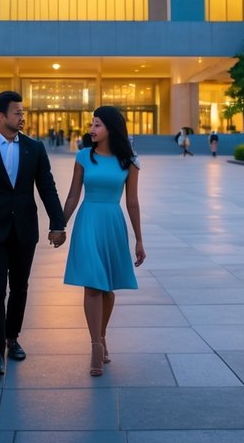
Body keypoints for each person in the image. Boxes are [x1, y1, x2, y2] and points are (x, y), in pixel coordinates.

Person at [0, 91, 66, 378]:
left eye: (23, 112)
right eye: (17, 112)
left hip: (24, 231)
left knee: (20, 287)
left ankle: (12, 338)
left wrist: (58, 224)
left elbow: (47, 187)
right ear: (1, 116)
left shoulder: (35, 148)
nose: (22, 117)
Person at [61, 105, 145, 376]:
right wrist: (59, 225)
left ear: (111, 128)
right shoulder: (83, 156)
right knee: (93, 285)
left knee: (107, 289)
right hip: (88, 222)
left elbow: (132, 202)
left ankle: (102, 334)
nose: (91, 129)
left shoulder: (129, 161)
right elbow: (73, 195)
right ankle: (95, 346)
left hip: (112, 223)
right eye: (91, 124)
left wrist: (139, 240)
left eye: (97, 124)